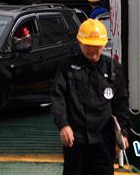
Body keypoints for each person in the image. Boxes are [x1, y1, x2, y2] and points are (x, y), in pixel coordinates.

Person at [51, 19, 129, 175]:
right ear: (80, 43)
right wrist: (63, 125)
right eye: (89, 47)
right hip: (76, 140)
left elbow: (121, 105)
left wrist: (123, 133)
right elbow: (58, 98)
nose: (93, 51)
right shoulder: (67, 67)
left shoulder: (114, 70)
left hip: (103, 142)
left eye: (97, 47)